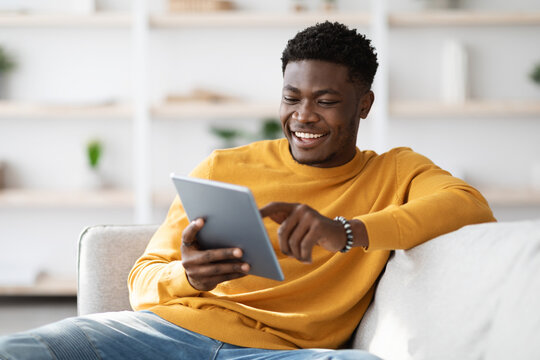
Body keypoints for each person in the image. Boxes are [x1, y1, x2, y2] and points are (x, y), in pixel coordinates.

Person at [0, 21, 495, 360]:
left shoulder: (395, 171)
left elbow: (469, 207)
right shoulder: (225, 165)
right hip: (169, 331)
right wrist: (188, 278)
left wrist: (345, 232)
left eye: (326, 101)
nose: (303, 117)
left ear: (363, 104)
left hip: (284, 352)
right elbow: (141, 283)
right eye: (292, 97)